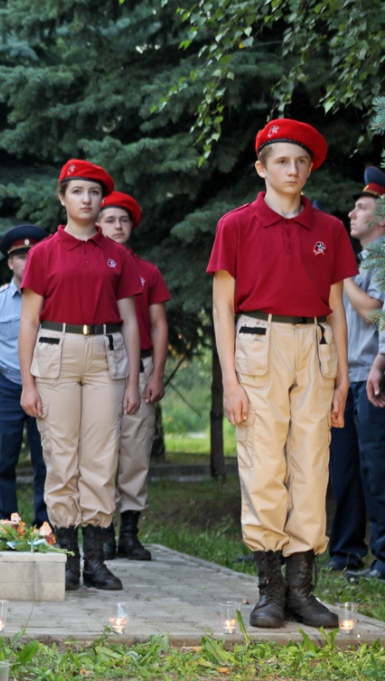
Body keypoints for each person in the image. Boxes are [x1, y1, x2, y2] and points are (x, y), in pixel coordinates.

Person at [208, 118, 355, 629]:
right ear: (261, 168)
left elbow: (336, 308)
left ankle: (301, 589)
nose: (292, 170)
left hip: (315, 345)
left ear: (310, 169)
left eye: (301, 162)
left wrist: (343, 378)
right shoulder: (236, 225)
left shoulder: (329, 230)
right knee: (263, 463)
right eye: (282, 161)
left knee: (312, 464)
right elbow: (222, 307)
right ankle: (269, 589)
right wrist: (230, 381)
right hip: (258, 343)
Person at [19, 160, 142, 592]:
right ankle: (68, 560)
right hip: (57, 350)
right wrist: (28, 383)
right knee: (61, 454)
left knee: (102, 457)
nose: (86, 199)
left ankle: (96, 560)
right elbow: (28, 321)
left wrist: (133, 381)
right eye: (76, 191)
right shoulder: (44, 252)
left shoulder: (117, 255)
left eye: (93, 192)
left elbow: (131, 321)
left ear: (102, 199)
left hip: (106, 354)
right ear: (62, 198)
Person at [96, 192, 170, 561]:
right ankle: (102, 531)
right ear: (97, 224)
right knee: (100, 451)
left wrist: (157, 374)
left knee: (136, 450)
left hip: (139, 367)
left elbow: (158, 325)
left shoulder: (147, 271)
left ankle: (129, 532)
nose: (117, 226)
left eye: (124, 220)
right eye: (110, 220)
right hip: (99, 364)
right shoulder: (90, 267)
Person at [0, 224, 50, 526]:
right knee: (3, 462)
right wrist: (1, 371)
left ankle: (46, 525)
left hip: (46, 386)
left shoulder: (53, 298)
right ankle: (3, 526)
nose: (27, 261)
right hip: (7, 389)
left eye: (33, 254)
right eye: (21, 256)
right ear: (10, 262)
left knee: (47, 460)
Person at [349, 168, 385, 581]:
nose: (352, 213)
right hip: (355, 376)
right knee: (361, 468)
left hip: (376, 376)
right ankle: (352, 552)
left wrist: (342, 277)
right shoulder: (363, 261)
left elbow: (375, 314)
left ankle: (384, 557)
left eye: (362, 207)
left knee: (378, 468)